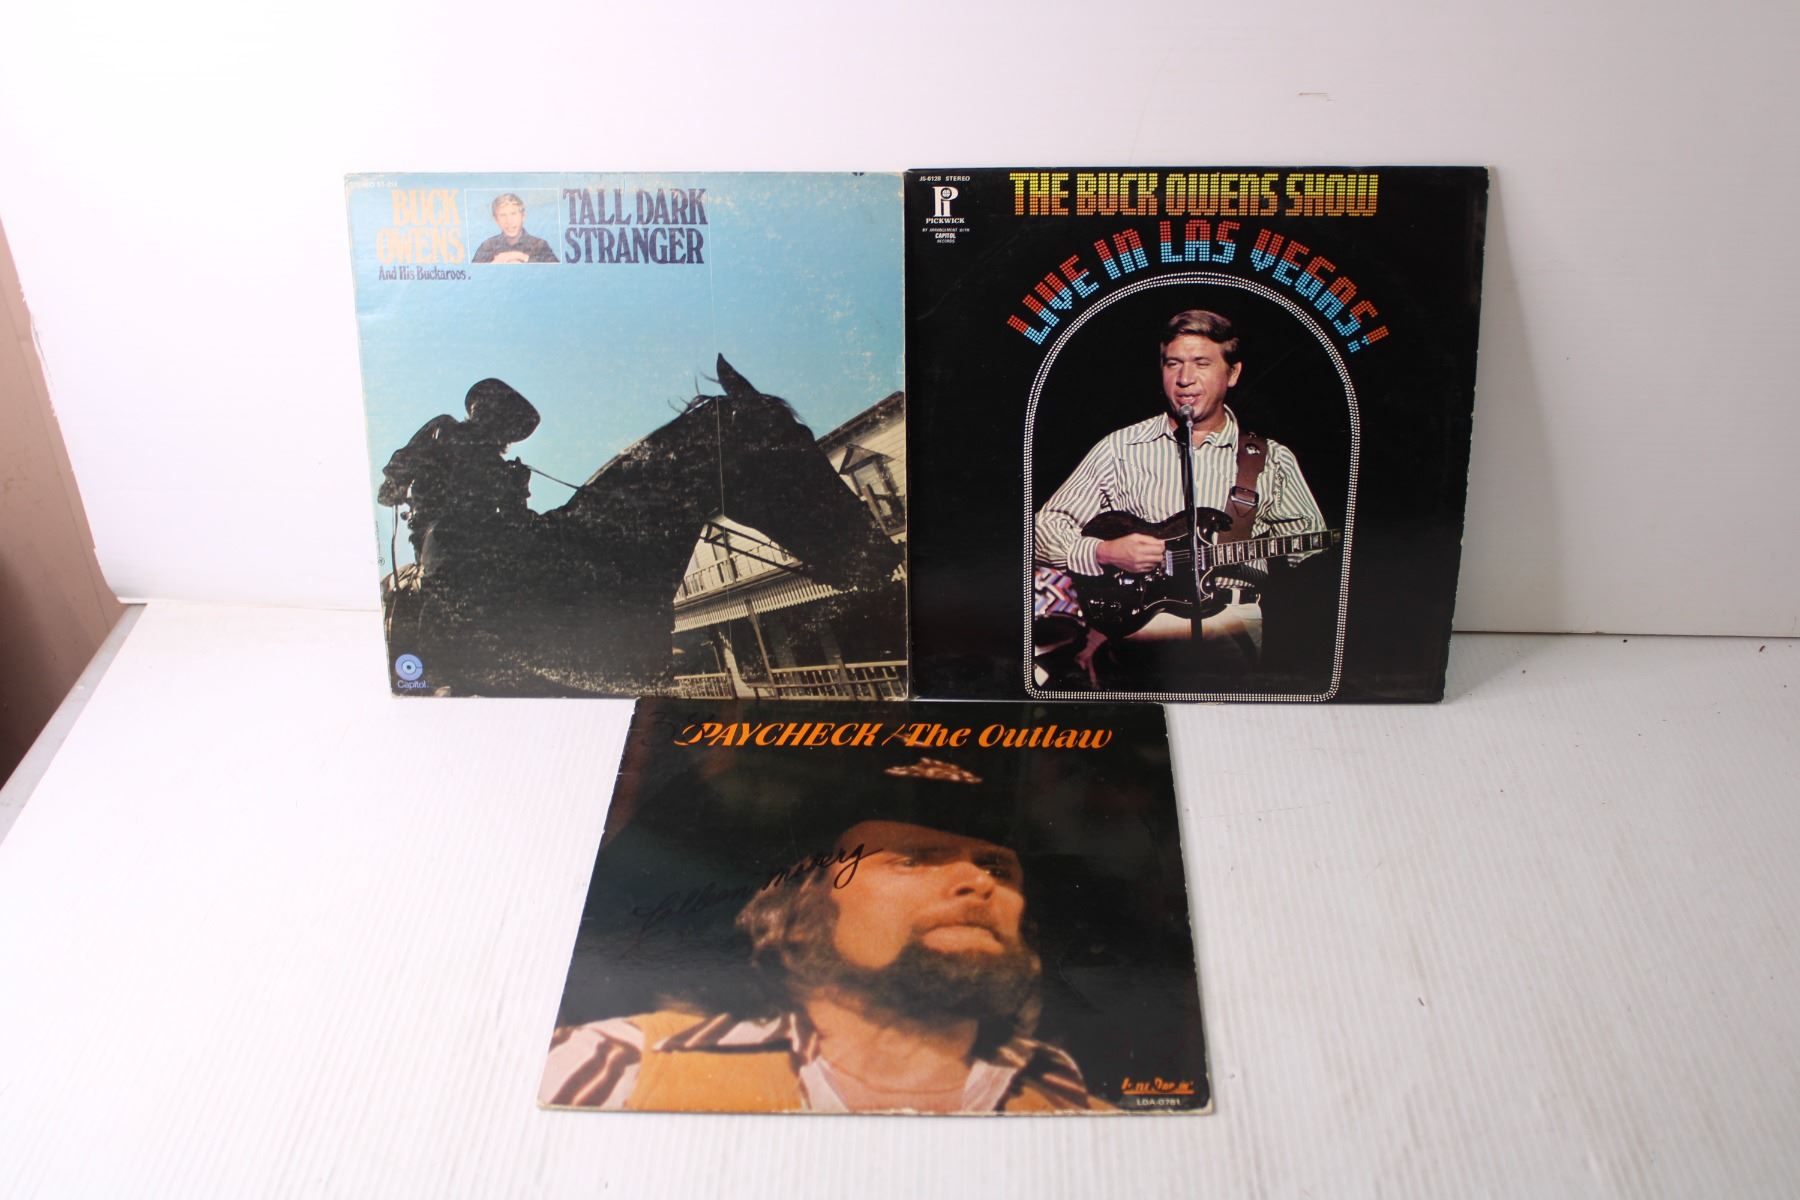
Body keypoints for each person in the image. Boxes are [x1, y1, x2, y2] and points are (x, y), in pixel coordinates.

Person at [538, 761, 1109, 1114]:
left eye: (998, 867)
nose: (978, 882)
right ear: (803, 904)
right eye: (913, 860)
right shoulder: (614, 1068)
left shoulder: (1088, 1115)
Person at [1034, 308, 1327, 676]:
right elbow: (1041, 530)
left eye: (1201, 363)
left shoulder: (1271, 460)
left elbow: (1312, 550)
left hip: (1232, 623)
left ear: (1232, 373)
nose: (1185, 379)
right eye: (1174, 364)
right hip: (1139, 629)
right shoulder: (1120, 449)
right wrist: (1104, 552)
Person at [470, 193, 558, 264]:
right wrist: (495, 263)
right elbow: (474, 274)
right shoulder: (487, 246)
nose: (509, 221)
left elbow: (557, 273)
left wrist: (521, 257)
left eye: (513, 214)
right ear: (496, 220)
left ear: (523, 216)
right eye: (502, 215)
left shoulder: (540, 245)